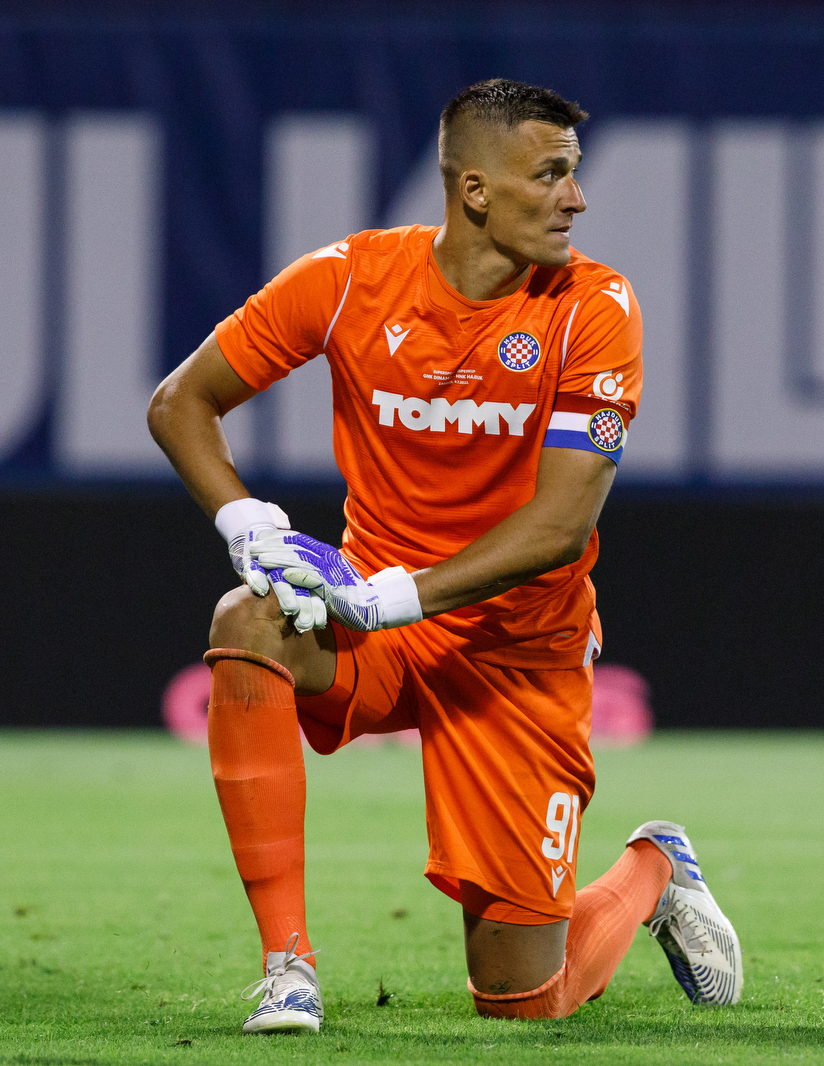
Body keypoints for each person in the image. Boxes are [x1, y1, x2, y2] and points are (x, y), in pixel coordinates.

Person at [146, 78, 741, 1031]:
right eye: (550, 175)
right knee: (246, 617)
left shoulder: (596, 309)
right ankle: (288, 963)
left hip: (517, 651)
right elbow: (180, 401)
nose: (575, 198)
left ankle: (654, 866)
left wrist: (398, 596)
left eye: (574, 174)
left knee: (523, 998)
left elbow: (560, 529)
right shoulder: (348, 280)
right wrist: (244, 519)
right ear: (474, 191)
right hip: (377, 618)